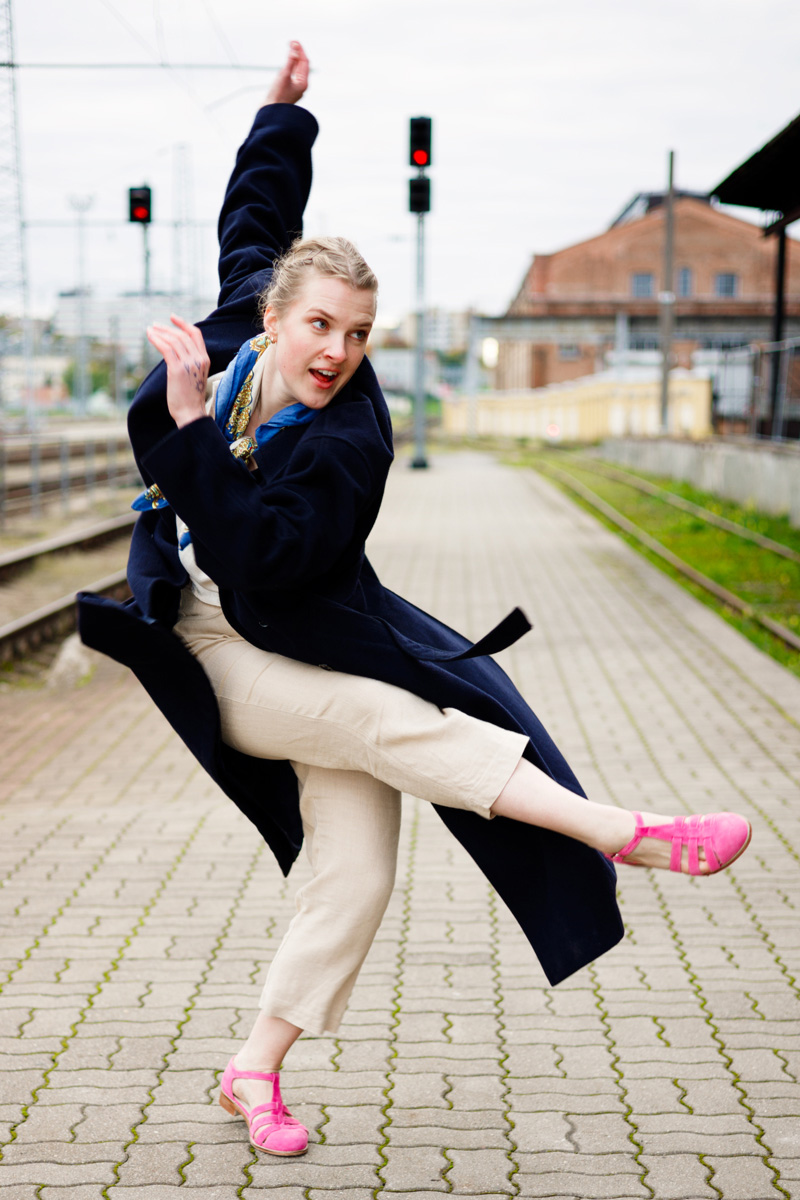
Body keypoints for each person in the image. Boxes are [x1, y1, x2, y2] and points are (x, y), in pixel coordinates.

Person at [79, 41, 752, 1159]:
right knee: (380, 723)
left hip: (279, 621)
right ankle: (623, 833)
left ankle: (253, 1070)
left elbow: (267, 555)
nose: (337, 351)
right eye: (319, 326)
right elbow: (253, 214)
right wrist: (279, 114)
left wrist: (193, 431)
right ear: (277, 310)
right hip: (204, 643)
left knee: (354, 875)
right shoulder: (240, 329)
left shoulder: (351, 444)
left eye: (358, 334)